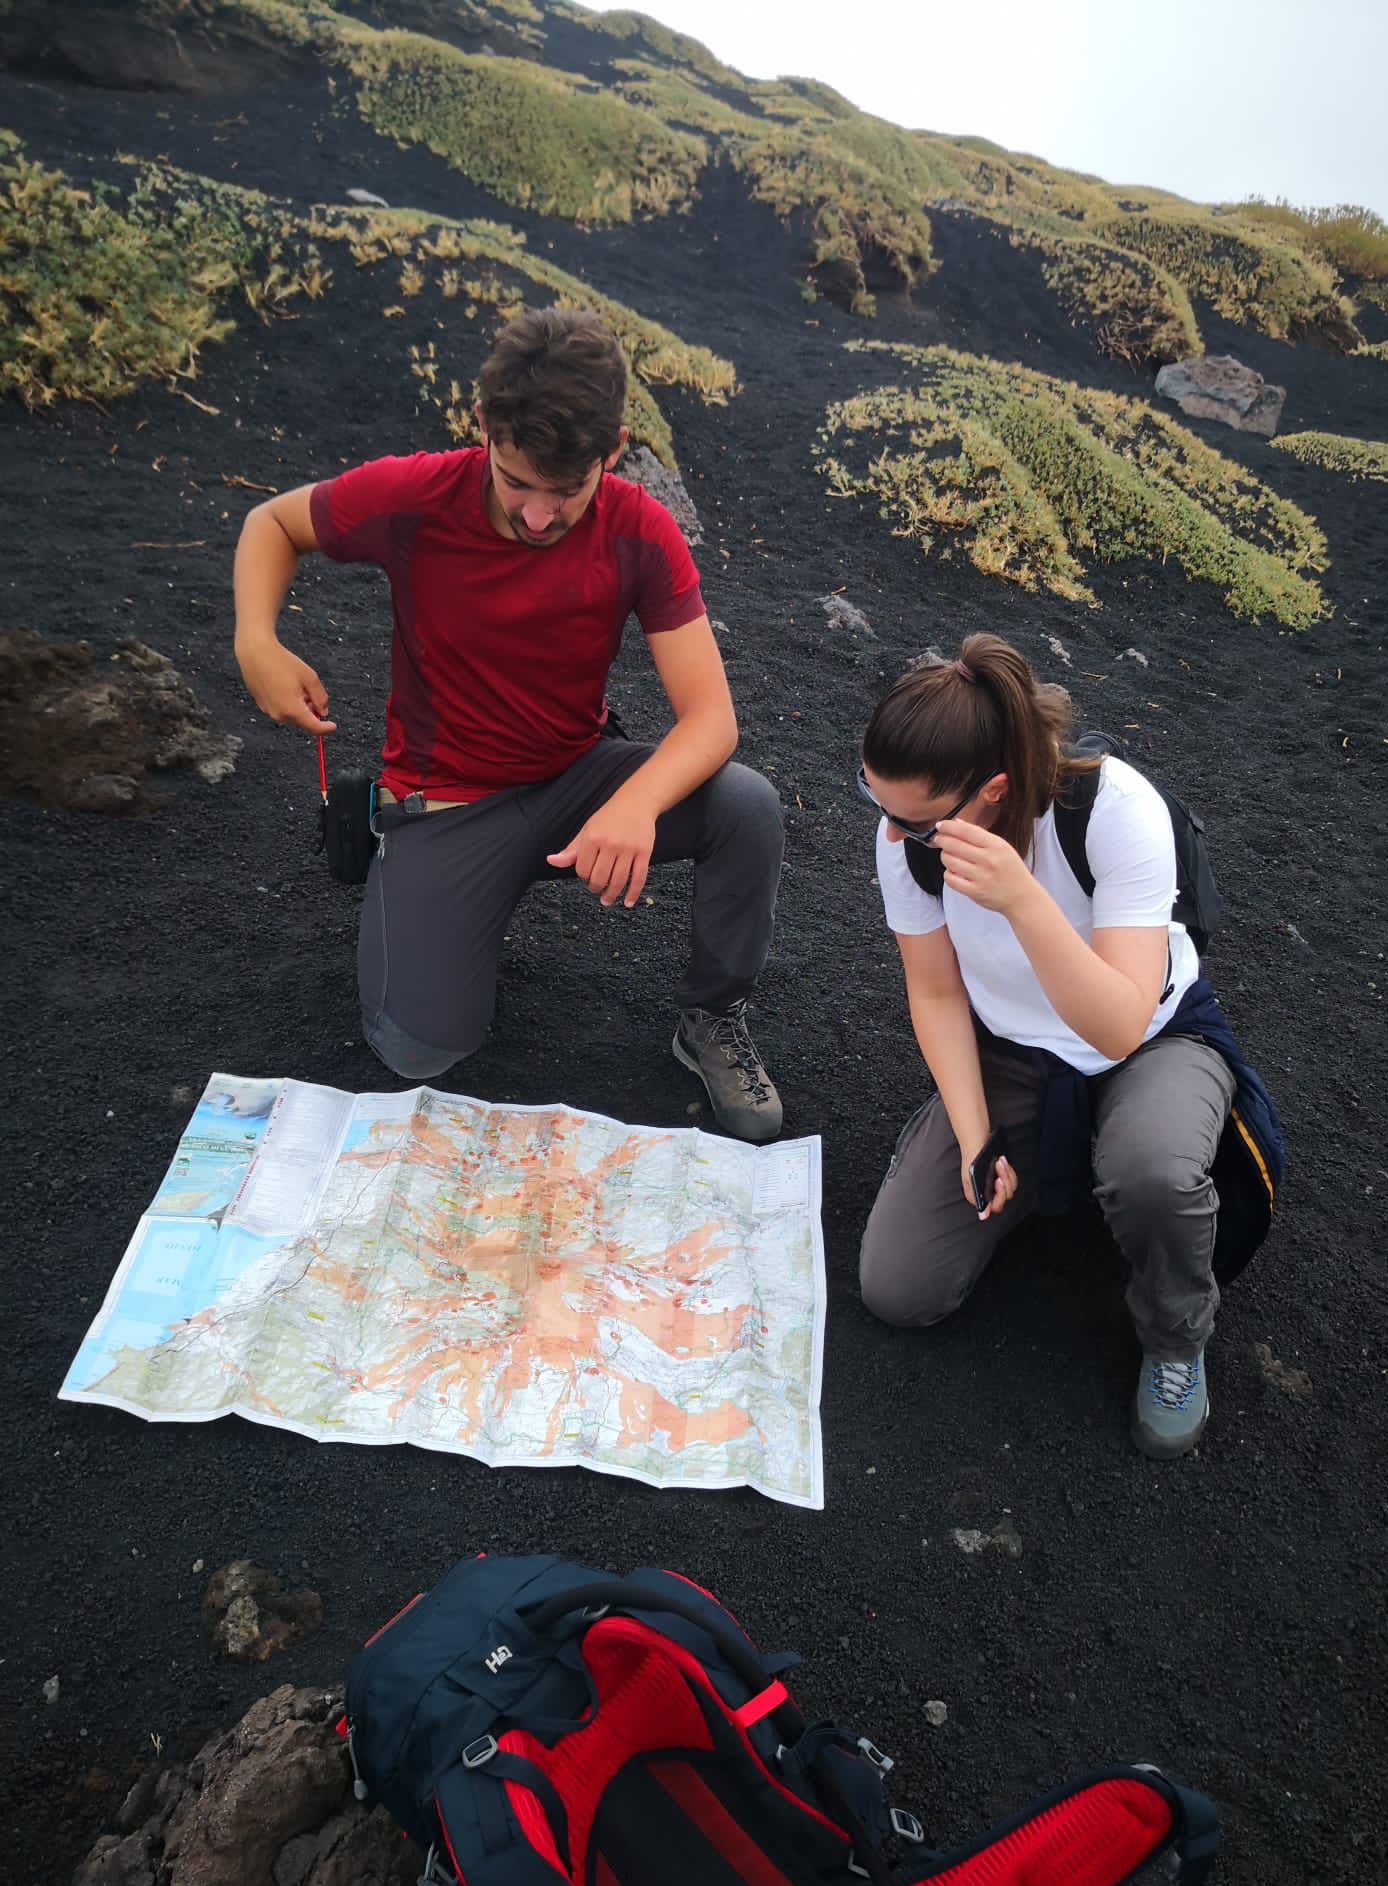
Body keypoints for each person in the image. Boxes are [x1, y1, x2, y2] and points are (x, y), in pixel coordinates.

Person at [231, 306, 784, 1141]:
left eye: (569, 491)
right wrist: (256, 640)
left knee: (746, 807)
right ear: (481, 425)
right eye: (517, 481)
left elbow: (711, 720)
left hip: (577, 781)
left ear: (614, 449)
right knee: (419, 1049)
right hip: (446, 801)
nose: (537, 514)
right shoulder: (418, 498)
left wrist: (633, 806)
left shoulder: (638, 528)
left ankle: (709, 1018)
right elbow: (271, 523)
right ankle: (433, 894)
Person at [856, 633, 1277, 1459]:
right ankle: (1000, 1146)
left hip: (1150, 1043)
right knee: (896, 1288)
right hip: (1013, 1050)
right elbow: (937, 991)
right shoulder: (909, 843)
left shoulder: (1115, 811)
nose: (894, 834)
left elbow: (1118, 1022)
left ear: (994, 791)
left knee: (1152, 1172)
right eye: (879, 805)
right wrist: (976, 1137)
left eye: (913, 817)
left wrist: (1023, 902)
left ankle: (1175, 1336)